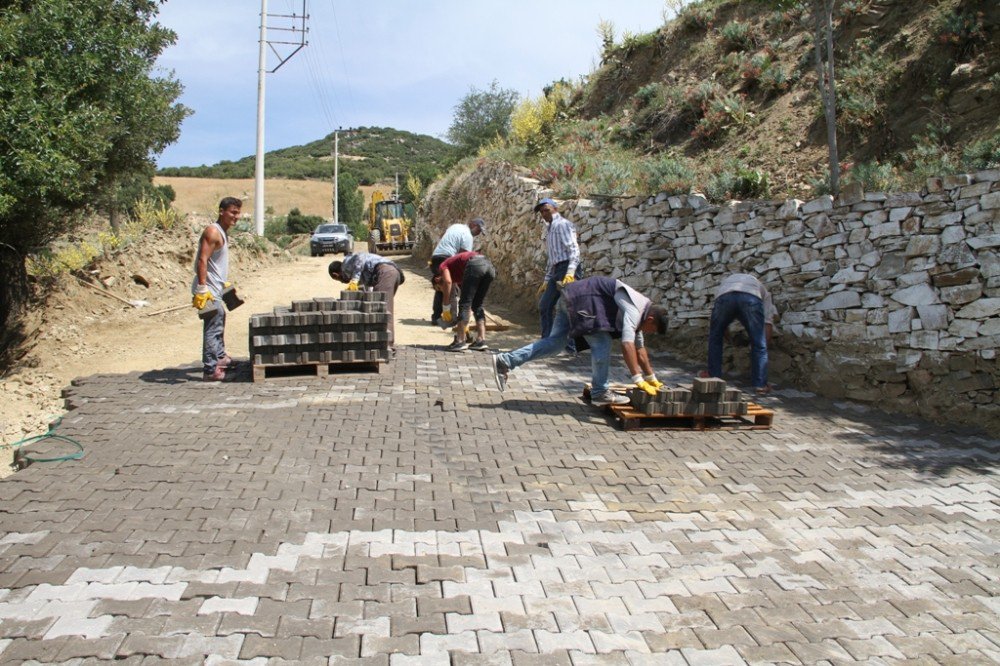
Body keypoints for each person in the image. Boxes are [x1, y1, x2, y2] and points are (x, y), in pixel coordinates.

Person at [491, 276, 670, 406]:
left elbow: (639, 348)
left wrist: (651, 377)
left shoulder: (642, 313)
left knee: (555, 345)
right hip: (583, 300)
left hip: (570, 298)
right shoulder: (636, 311)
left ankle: (505, 360)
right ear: (651, 321)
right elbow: (627, 344)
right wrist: (637, 378)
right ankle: (600, 392)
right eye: (652, 330)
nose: (649, 333)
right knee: (603, 343)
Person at [191, 197, 242, 381]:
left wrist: (223, 282)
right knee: (213, 327)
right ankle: (211, 370)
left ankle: (220, 357)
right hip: (208, 290)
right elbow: (202, 260)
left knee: (220, 319)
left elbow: (215, 262)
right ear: (221, 211)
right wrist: (202, 288)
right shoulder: (213, 232)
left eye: (238, 213)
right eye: (233, 212)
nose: (236, 217)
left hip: (216, 287)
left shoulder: (222, 232)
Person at [705, 273, 778, 395]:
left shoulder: (727, 283)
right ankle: (760, 385)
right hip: (750, 299)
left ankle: (713, 378)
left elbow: (720, 326)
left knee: (715, 338)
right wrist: (764, 345)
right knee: (759, 343)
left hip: (724, 297)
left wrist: (726, 338)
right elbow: (768, 323)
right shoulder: (764, 292)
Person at [328, 252, 404, 354]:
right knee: (380, 308)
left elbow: (361, 256)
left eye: (338, 279)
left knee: (382, 310)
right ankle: (382, 343)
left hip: (385, 273)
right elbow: (367, 284)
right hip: (388, 274)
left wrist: (354, 279)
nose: (342, 282)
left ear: (336, 274)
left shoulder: (346, 263)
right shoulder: (354, 271)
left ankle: (386, 346)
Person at [534, 198, 583, 353]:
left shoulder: (563, 225)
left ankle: (572, 346)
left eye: (546, 209)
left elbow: (574, 250)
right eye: (541, 211)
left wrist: (570, 273)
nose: (543, 213)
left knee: (569, 308)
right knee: (545, 305)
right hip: (557, 270)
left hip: (568, 268)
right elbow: (552, 258)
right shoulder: (549, 229)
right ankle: (547, 343)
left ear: (555, 208)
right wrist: (547, 279)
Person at [436, 250, 496, 352]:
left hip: (475, 264)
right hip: (489, 267)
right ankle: (480, 340)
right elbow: (468, 299)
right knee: (477, 305)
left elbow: (448, 282)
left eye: (439, 288)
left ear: (437, 279)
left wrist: (445, 306)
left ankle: (460, 341)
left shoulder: (443, 265)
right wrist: (465, 324)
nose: (442, 290)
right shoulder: (460, 274)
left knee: (464, 304)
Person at [429, 218, 485, 325]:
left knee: (442, 287)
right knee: (452, 289)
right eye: (478, 229)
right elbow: (463, 258)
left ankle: (436, 317)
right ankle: (452, 318)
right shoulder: (468, 236)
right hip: (447, 259)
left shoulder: (455, 226)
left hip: (435, 258)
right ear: (473, 224)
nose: (478, 233)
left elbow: (443, 238)